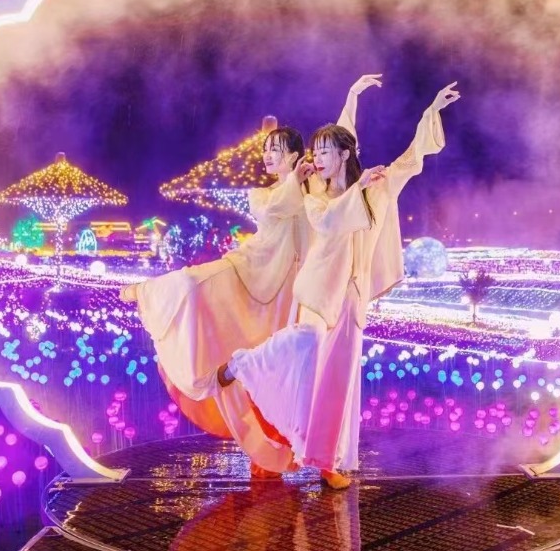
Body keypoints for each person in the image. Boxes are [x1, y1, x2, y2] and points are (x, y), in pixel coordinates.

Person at [121, 75, 382, 475]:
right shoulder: (264, 194)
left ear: (297, 155)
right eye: (265, 150)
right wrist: (294, 179)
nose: (266, 156)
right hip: (251, 270)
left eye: (275, 150)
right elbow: (276, 208)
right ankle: (148, 293)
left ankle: (279, 450)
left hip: (295, 290)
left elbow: (339, 148)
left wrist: (351, 97)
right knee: (189, 284)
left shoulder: (315, 187)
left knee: (287, 371)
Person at [219, 82, 460, 488]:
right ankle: (243, 365)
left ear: (345, 154)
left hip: (351, 296)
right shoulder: (315, 194)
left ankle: (328, 461)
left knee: (339, 381)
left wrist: (430, 112)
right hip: (318, 292)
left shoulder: (375, 185)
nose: (317, 160)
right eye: (315, 153)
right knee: (303, 349)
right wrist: (351, 103)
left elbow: (410, 159)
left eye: (325, 152)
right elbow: (329, 221)